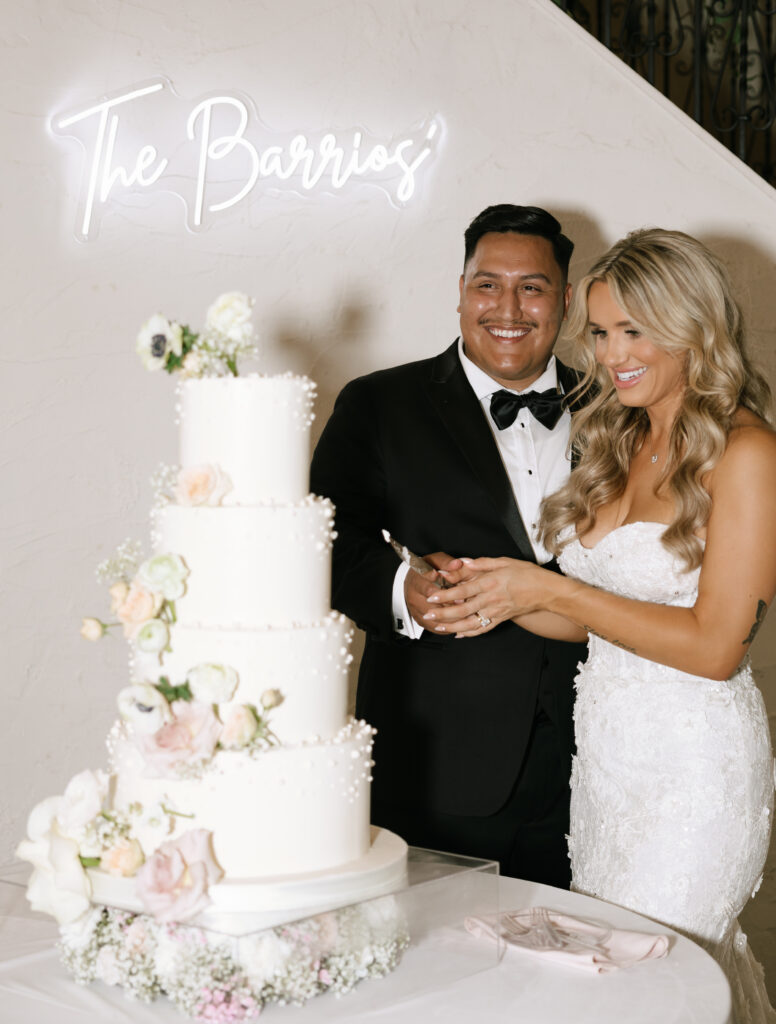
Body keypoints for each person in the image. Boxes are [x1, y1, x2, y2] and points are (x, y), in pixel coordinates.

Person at [425, 228, 776, 1021]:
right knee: (608, 976)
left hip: (695, 775)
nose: (612, 353)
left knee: (668, 980)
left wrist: (553, 590)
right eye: (603, 330)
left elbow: (716, 647)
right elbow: (595, 625)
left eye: (635, 331)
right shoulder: (622, 437)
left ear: (694, 328)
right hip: (609, 768)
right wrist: (496, 596)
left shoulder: (747, 453)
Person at [310, 204, 588, 887]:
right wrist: (401, 590)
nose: (508, 307)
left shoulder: (619, 405)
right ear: (460, 291)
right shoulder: (379, 404)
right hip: (436, 761)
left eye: (533, 287)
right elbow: (324, 540)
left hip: (597, 758)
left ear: (566, 299)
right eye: (487, 284)